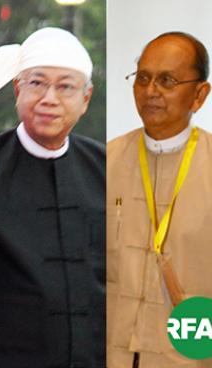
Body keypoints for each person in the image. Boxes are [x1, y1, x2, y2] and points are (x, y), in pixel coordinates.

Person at [0, 27, 105, 367]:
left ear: (86, 98)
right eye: (37, 83)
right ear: (18, 89)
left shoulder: (108, 168)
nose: (49, 98)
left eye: (65, 86)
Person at [107, 32, 212, 368]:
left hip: (186, 357)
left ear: (199, 95)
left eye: (167, 80)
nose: (151, 91)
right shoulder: (103, 162)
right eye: (143, 78)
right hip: (113, 351)